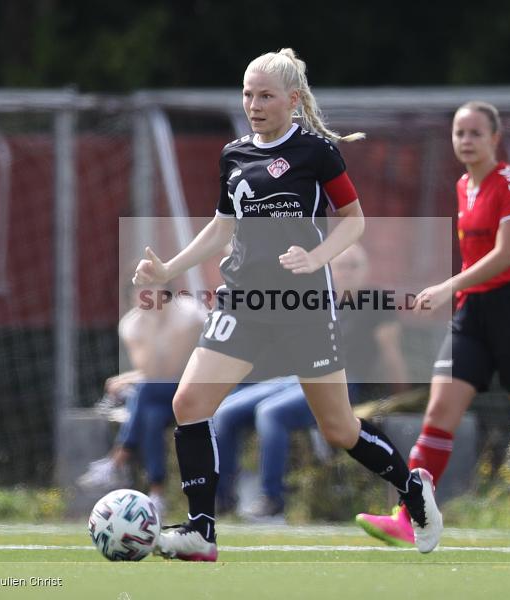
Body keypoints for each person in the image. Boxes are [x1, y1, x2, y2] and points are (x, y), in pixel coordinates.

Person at [132, 48, 441, 562]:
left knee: (339, 428)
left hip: (304, 306)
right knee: (188, 404)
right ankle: (201, 531)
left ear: (292, 100)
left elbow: (355, 219)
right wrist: (167, 269)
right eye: (248, 94)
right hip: (243, 302)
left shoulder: (317, 152)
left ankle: (415, 494)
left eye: (266, 95)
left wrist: (314, 256)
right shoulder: (234, 154)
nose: (254, 104)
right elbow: (222, 228)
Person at [355, 101, 510, 550]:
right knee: (437, 414)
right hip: (473, 315)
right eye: (459, 133)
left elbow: (506, 256)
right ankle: (408, 516)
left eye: (475, 133)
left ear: (495, 138)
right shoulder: (462, 185)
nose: (466, 141)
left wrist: (447, 285)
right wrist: (458, 293)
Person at [213, 243, 410, 522]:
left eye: (355, 266)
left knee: (270, 413)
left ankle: (272, 501)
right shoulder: (318, 299)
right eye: (342, 265)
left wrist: (399, 395)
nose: (348, 272)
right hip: (298, 377)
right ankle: (221, 502)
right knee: (225, 411)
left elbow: (391, 352)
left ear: (366, 270)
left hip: (343, 383)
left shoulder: (376, 302)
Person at [77, 286, 206, 518]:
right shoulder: (132, 324)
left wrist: (128, 378)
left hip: (196, 388)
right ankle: (157, 494)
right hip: (160, 396)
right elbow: (150, 370)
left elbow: (171, 369)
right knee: (151, 416)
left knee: (142, 391)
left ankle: (118, 458)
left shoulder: (189, 314)